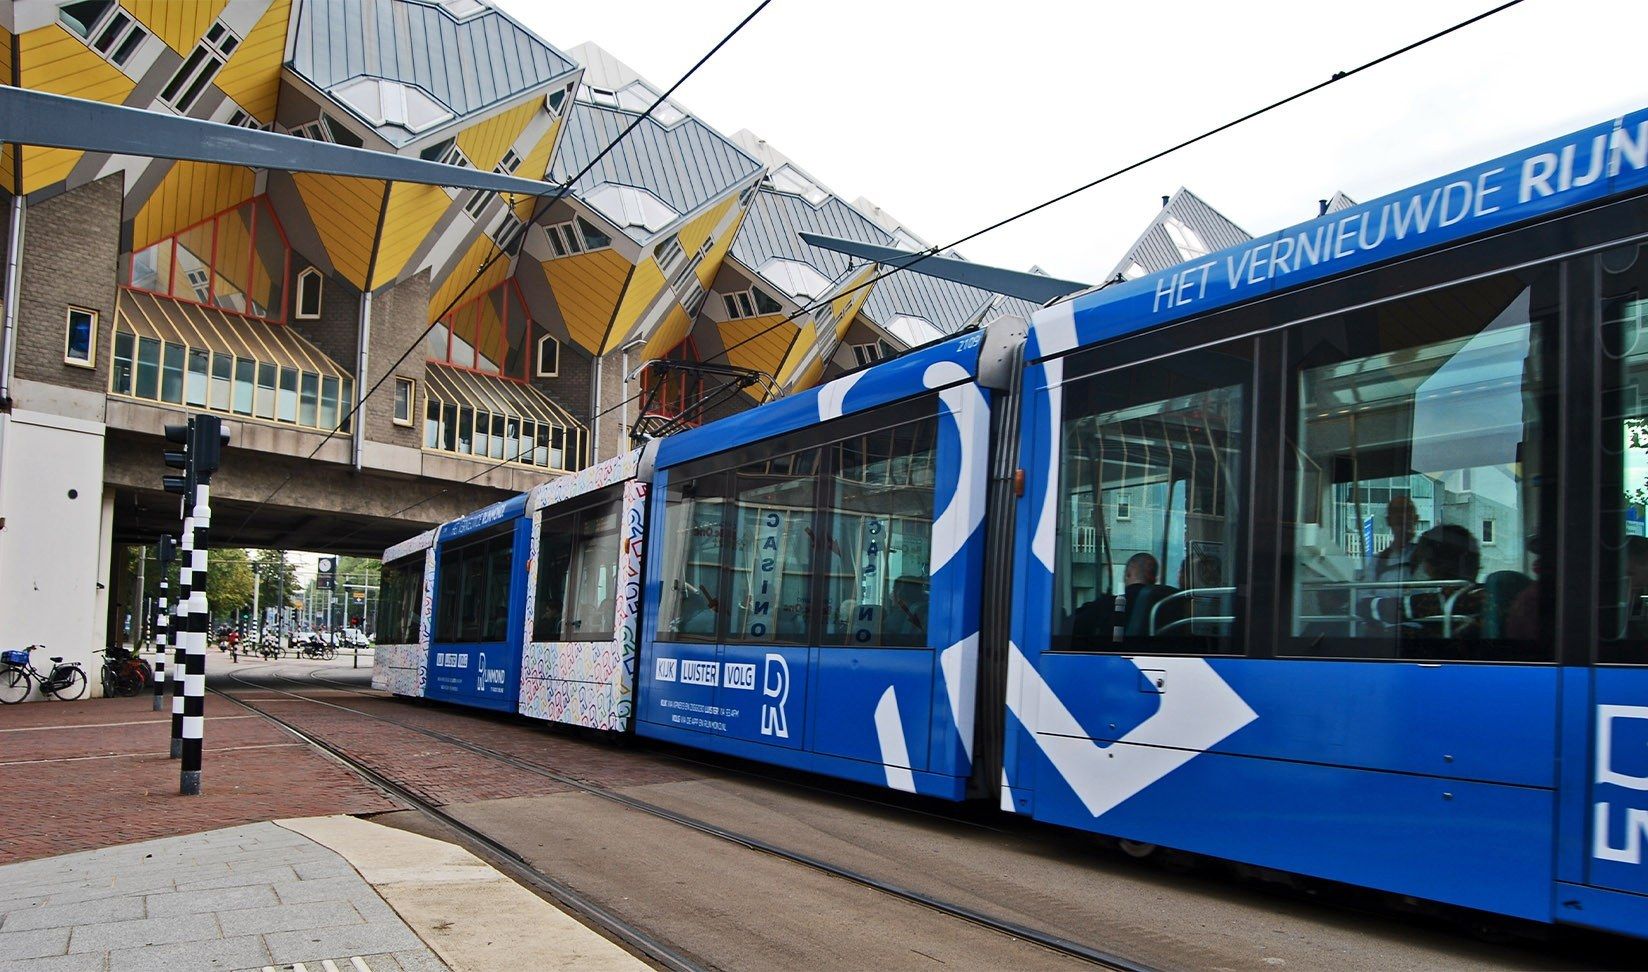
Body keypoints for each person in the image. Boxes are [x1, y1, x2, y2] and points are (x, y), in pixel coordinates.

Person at [1366, 497, 1421, 582]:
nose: (1402, 516)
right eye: (1397, 512)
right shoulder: (1377, 562)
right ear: (1388, 520)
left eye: (1407, 512)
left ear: (1416, 519)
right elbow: (1365, 592)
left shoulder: (1426, 558)